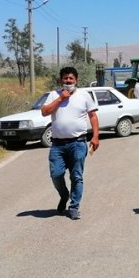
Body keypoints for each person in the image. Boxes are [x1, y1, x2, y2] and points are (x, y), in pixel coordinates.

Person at [40, 66, 99, 220]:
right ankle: (64, 195)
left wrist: (96, 136)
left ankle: (74, 207)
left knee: (76, 176)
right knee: (56, 174)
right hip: (58, 145)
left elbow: (92, 116)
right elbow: (45, 112)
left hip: (78, 142)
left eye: (71, 78)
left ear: (76, 80)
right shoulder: (54, 95)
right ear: (61, 80)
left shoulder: (84, 95)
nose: (68, 81)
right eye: (65, 78)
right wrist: (61, 98)